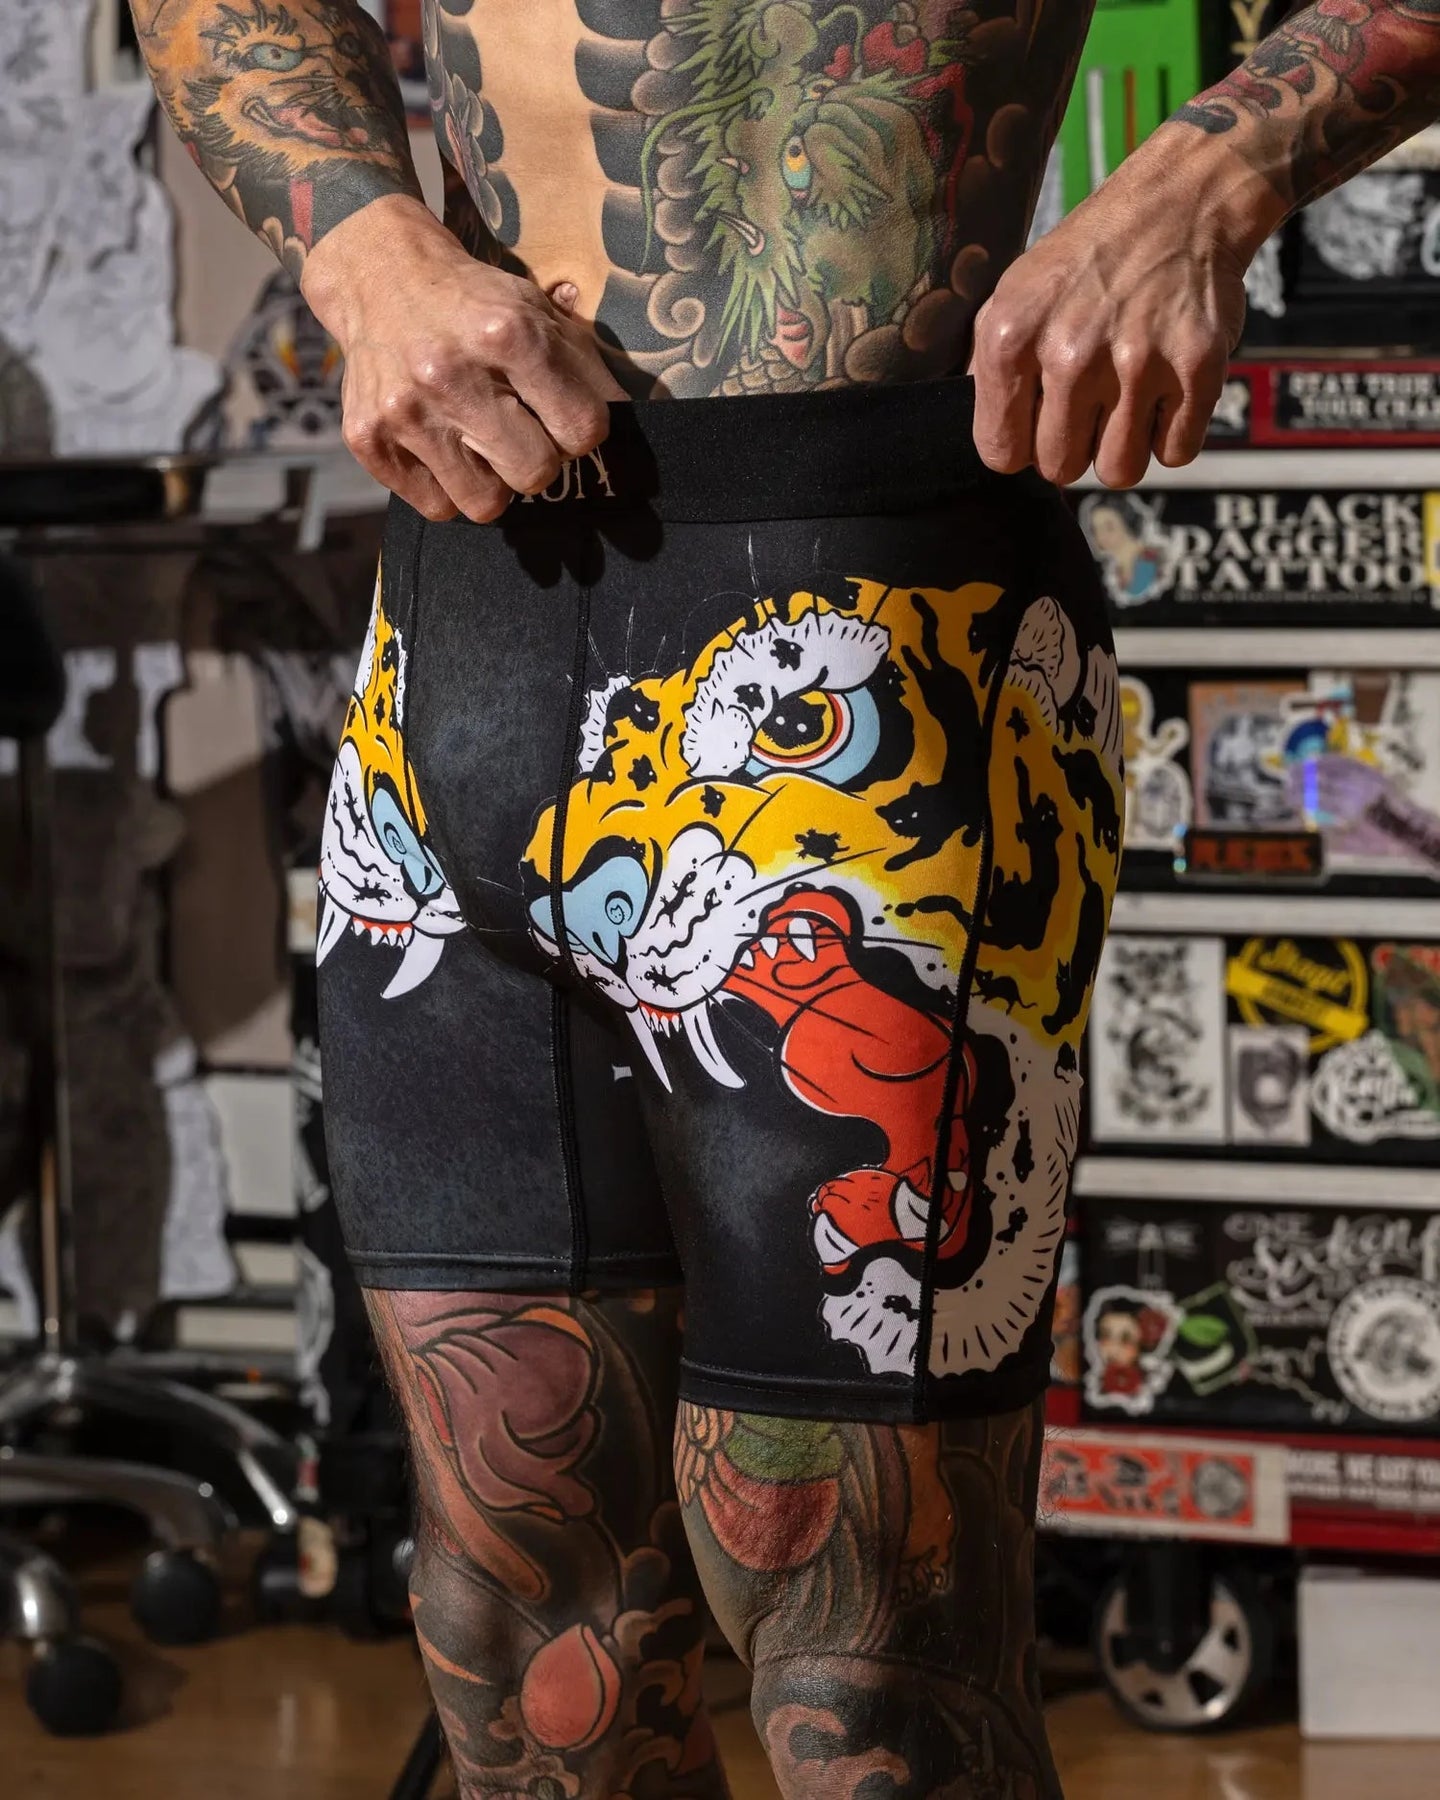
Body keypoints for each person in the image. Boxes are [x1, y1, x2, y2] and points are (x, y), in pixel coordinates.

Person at [131, 3, 1440, 1792]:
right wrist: (363, 244)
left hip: (883, 628)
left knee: (872, 1650)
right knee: (516, 1636)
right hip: (462, 641)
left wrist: (1204, 184)